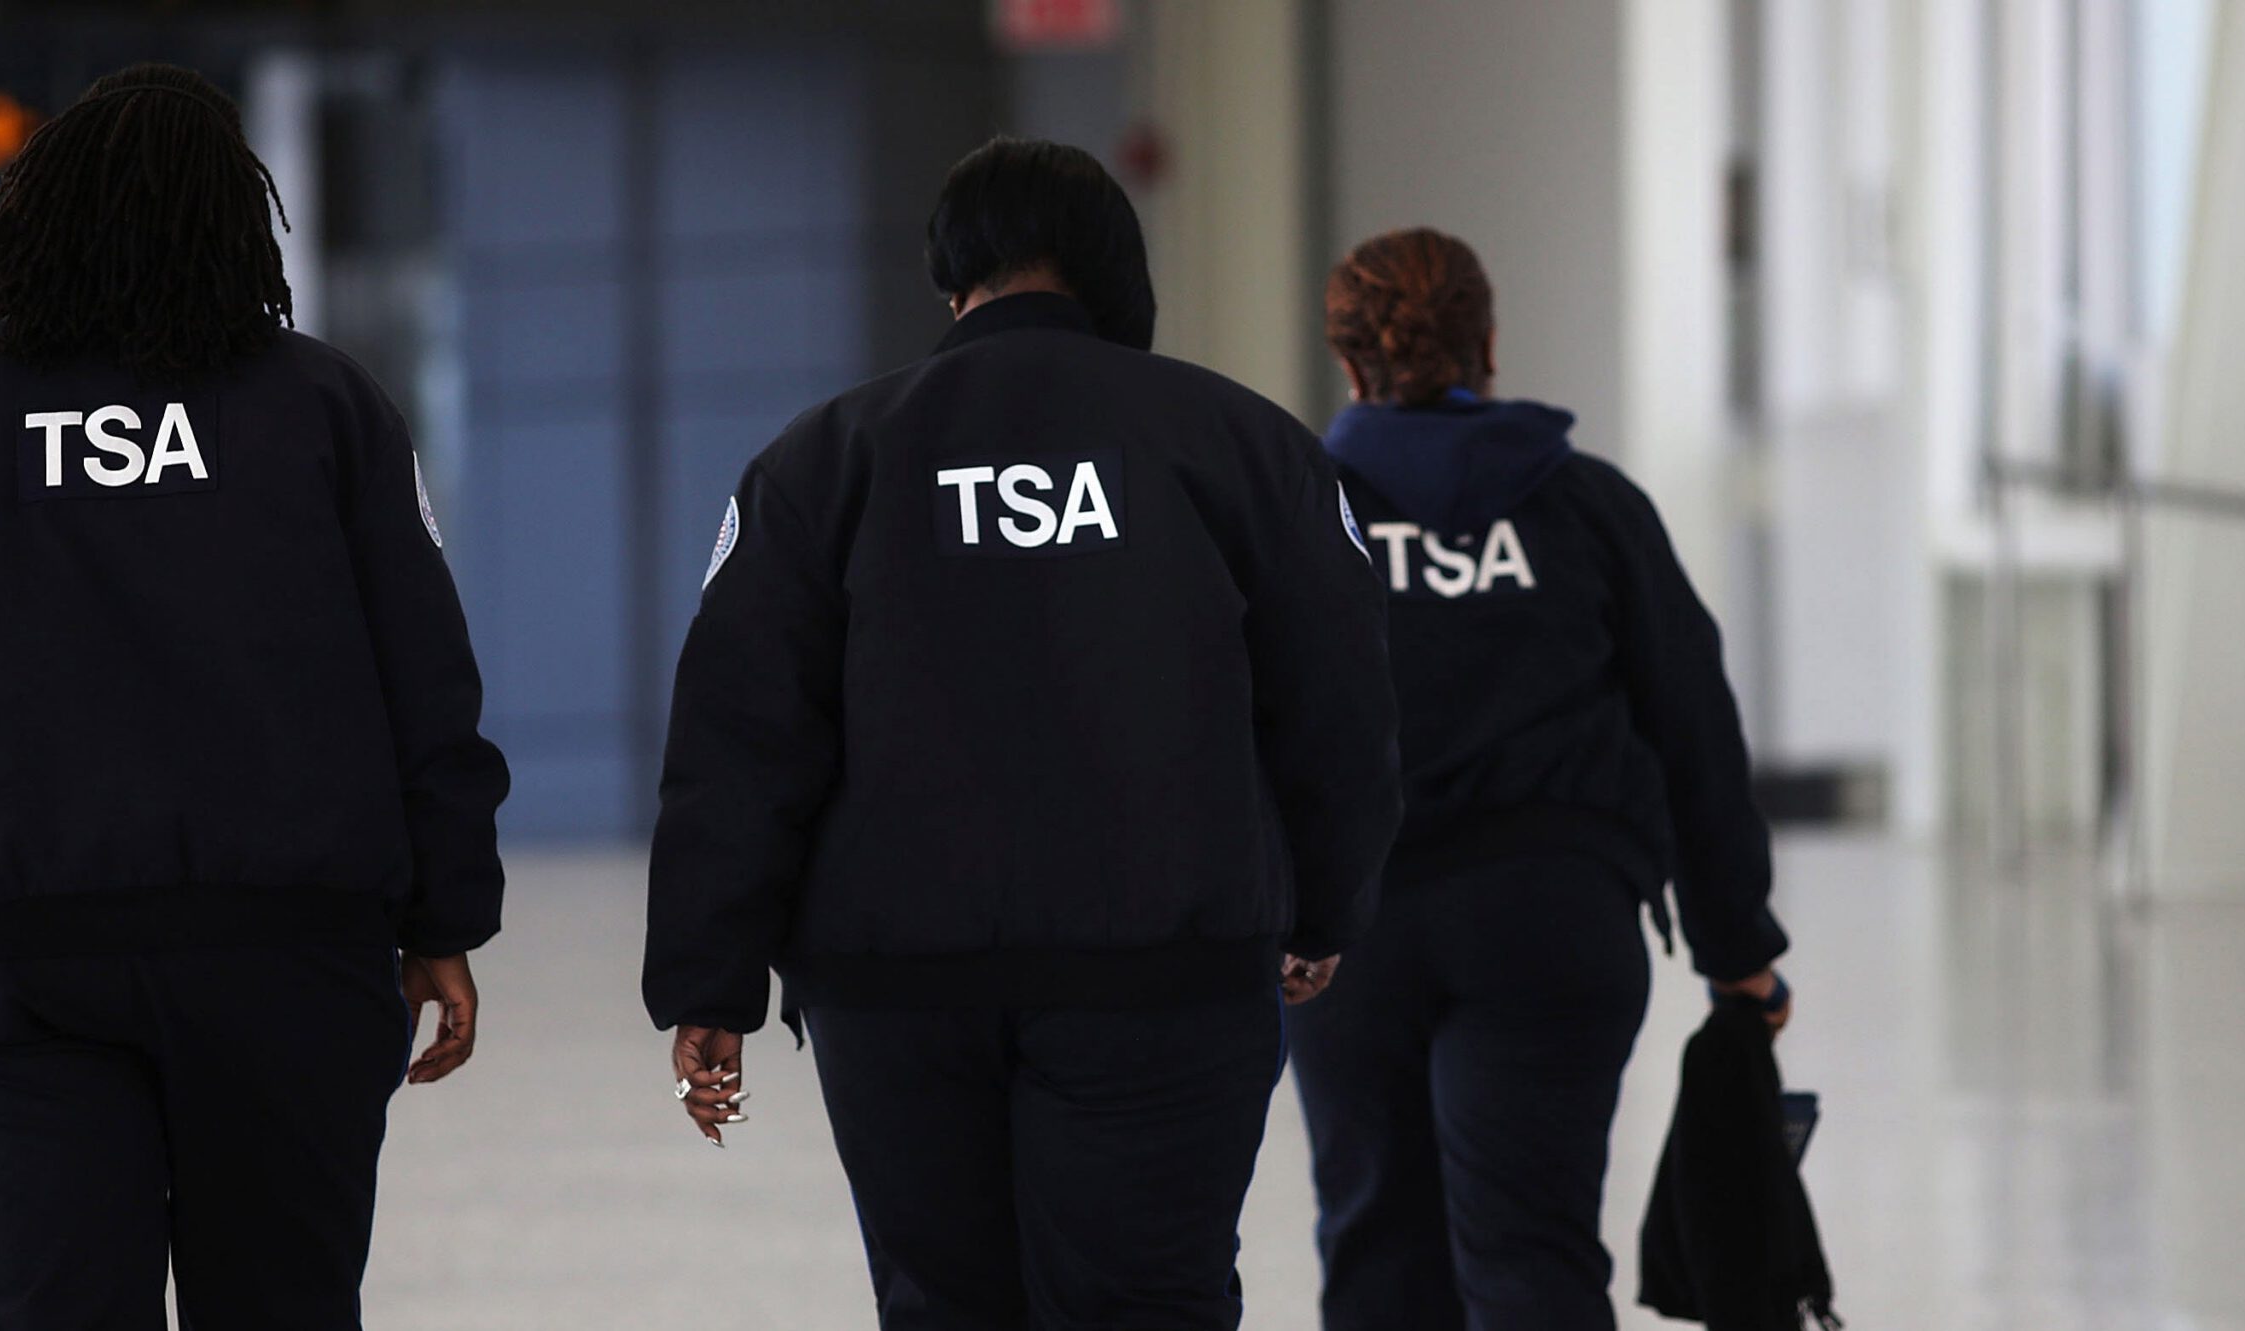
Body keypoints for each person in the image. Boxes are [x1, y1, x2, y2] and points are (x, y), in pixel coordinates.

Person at [0, 63, 508, 1331]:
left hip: (13, 952)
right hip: (289, 952)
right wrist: (446, 910)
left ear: (34, 215)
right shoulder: (325, 407)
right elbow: (424, 677)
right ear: (238, 224)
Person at [642, 137, 1403, 1329]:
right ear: (1115, 271)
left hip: (896, 993)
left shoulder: (825, 459)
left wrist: (708, 975)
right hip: (1166, 978)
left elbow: (740, 734)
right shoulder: (1242, 445)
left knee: (945, 1304)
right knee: (1149, 1303)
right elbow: (1339, 699)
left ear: (954, 277)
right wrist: (1322, 907)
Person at [1286, 227, 1794, 1331]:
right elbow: (1693, 725)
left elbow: (1241, 713)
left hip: (1351, 938)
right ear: (1489, 344)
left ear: (1348, 363)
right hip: (1551, 923)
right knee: (1533, 1260)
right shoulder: (1588, 507)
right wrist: (1738, 949)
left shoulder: (1298, 514)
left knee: (1375, 1256)